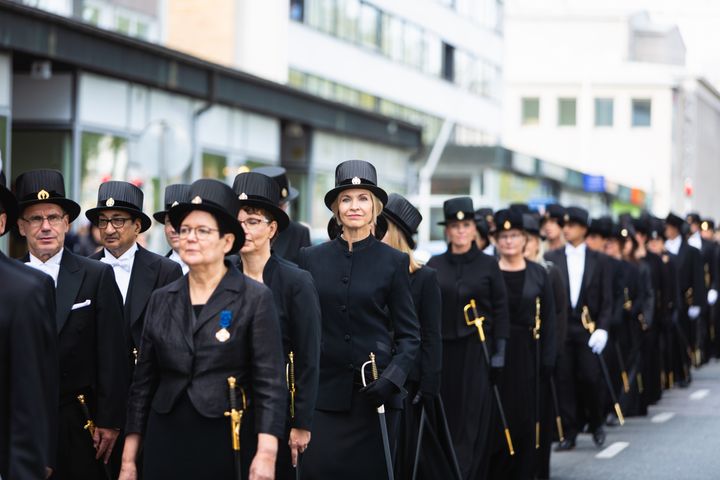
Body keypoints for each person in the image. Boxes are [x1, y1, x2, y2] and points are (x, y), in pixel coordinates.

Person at [119, 178, 286, 480]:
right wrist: (129, 461)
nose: (190, 238)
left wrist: (266, 454)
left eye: (203, 231)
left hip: (225, 436)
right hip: (166, 435)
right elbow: (142, 384)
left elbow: (270, 386)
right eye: (185, 230)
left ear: (227, 242)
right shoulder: (162, 299)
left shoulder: (253, 298)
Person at [298, 160, 420, 479]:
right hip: (323, 400)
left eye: (363, 198)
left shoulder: (394, 262)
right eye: (347, 199)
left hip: (375, 399)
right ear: (336, 208)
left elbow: (410, 336)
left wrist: (391, 379)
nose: (355, 206)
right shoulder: (311, 259)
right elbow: (301, 329)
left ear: (375, 208)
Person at [15, 169, 128, 479]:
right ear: (21, 226)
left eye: (53, 216)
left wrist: (109, 420)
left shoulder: (96, 275)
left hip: (78, 420)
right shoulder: (7, 280)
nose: (46, 227)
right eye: (35, 219)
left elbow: (112, 352)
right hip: (20, 423)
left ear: (67, 222)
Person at [231, 171, 321, 480]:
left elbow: (310, 355)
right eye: (238, 221)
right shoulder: (221, 275)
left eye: (253, 221)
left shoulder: (296, 281)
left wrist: (302, 422)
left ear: (272, 228)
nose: (245, 229)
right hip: (225, 406)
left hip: (278, 408)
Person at [427, 197, 509, 479]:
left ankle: (469, 473)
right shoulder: (434, 265)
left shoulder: (489, 265)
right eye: (454, 225)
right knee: (447, 415)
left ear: (474, 229)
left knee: (472, 417)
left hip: (478, 351)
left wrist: (500, 352)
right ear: (447, 230)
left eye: (466, 225)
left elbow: (501, 311)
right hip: (443, 352)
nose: (461, 231)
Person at [380, 193, 454, 480]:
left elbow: (432, 335)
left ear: (395, 234)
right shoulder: (368, 273)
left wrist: (430, 382)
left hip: (408, 381)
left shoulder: (424, 278)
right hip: (373, 374)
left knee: (408, 455)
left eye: (381, 227)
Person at [487, 209, 556, 480]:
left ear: (525, 239)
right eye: (503, 236)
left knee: (526, 420)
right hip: (499, 353)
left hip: (530, 353)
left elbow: (549, 319)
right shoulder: (489, 271)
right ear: (495, 239)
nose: (508, 241)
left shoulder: (539, 273)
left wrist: (549, 359)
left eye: (514, 235)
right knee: (497, 417)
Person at [86, 180, 182, 371]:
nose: (109, 229)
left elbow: (172, 337)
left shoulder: (166, 271)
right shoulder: (84, 269)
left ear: (137, 226)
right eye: (103, 221)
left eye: (118, 220)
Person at [0, 167, 57, 480]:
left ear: (2, 222)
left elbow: (30, 396)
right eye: (35, 218)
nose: (44, 227)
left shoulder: (23, 292)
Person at [544, 206, 613, 451]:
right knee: (564, 380)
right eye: (564, 225)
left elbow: (607, 299)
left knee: (590, 378)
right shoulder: (552, 258)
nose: (567, 230)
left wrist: (603, 329)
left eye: (572, 225)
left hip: (588, 328)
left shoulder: (600, 260)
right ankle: (569, 431)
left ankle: (596, 422)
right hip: (563, 327)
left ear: (584, 229)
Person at [524, 213, 567, 480]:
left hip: (542, 353)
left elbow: (558, 318)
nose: (524, 245)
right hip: (518, 354)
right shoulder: (502, 269)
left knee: (540, 414)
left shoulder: (549, 272)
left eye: (529, 240)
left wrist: (552, 354)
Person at [665, 213, 705, 384]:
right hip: (667, 301)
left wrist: (697, 303)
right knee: (668, 340)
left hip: (684, 301)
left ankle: (684, 371)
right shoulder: (663, 248)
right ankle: (669, 374)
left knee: (683, 337)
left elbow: (698, 279)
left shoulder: (691, 251)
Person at [254, 166, 311, 264]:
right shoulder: (240, 231)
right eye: (277, 206)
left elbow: (306, 273)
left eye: (284, 204)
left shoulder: (299, 233)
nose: (282, 210)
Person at [153, 183, 192, 274]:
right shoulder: (155, 270)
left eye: (180, 221)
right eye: (169, 222)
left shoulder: (215, 268)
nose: (173, 229)